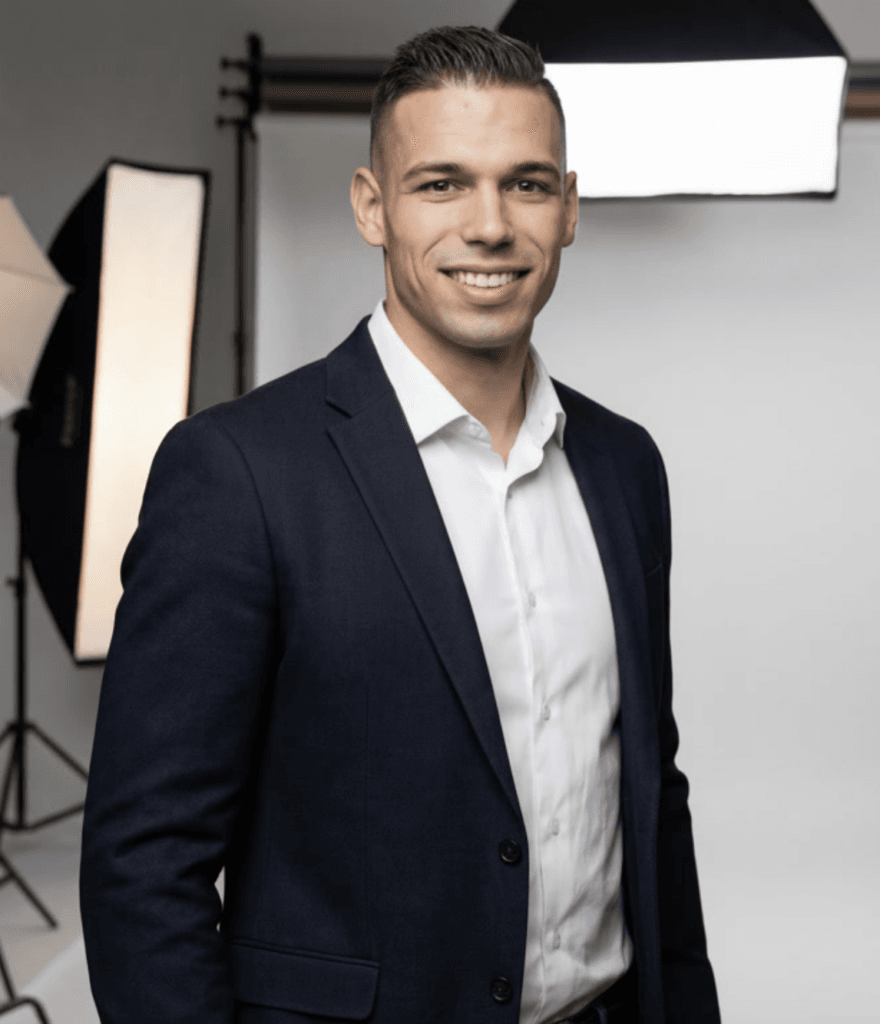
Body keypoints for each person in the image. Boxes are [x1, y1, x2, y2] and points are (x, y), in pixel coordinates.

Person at [80, 24, 721, 1024]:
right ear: (371, 207)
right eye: (441, 184)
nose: (489, 225)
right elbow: (142, 864)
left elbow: (649, 794)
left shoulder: (624, 466)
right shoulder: (238, 473)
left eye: (526, 184)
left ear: (569, 208)